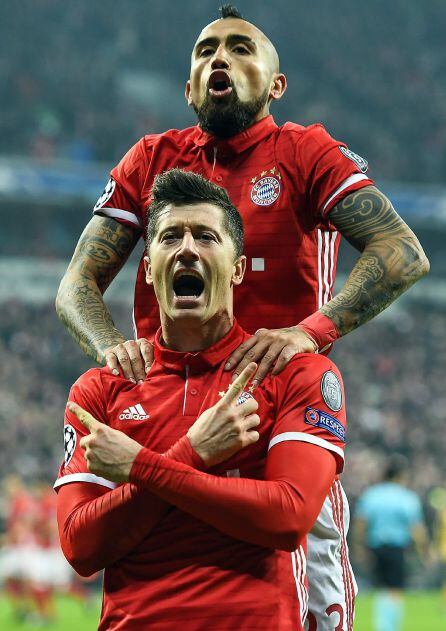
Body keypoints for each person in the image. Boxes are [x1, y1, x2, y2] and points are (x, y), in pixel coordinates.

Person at [55, 5, 429, 628]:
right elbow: (76, 285)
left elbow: (401, 252)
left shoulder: (306, 152)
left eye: (239, 48)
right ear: (187, 87)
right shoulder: (153, 159)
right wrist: (110, 349)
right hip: (170, 420)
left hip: (273, 428)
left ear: (276, 85)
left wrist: (309, 333)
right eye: (204, 52)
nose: (218, 59)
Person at [56, 169, 348, 630]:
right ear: (149, 268)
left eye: (206, 237)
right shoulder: (102, 389)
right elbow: (81, 547)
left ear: (237, 268)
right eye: (170, 236)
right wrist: (192, 453)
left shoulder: (295, 374)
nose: (187, 249)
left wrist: (141, 467)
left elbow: (288, 517)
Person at [353, 456, 430, 631]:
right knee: (395, 588)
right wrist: (423, 550)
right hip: (397, 548)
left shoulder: (371, 495)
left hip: (376, 547)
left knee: (380, 587)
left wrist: (358, 547)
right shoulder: (407, 497)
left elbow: (361, 524)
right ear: (400, 476)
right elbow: (416, 528)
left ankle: (382, 624)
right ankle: (390, 626)